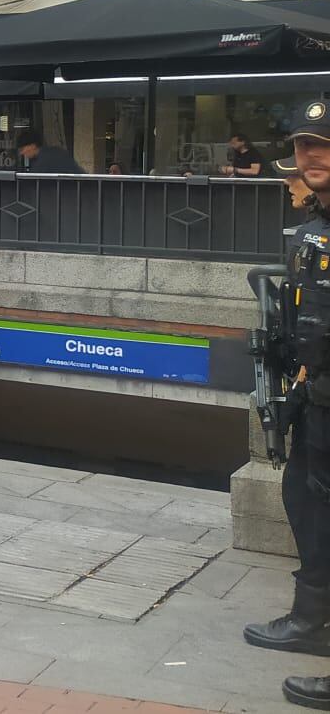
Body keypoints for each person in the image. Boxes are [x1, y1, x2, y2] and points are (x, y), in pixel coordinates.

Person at [246, 102, 330, 710]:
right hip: (317, 393)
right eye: (304, 145)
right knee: (305, 499)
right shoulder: (316, 225)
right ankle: (311, 618)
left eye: (324, 144)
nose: (311, 156)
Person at [16, 131, 82, 173]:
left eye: (22, 149)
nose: (21, 153)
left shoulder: (43, 160)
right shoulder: (57, 151)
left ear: (32, 146)